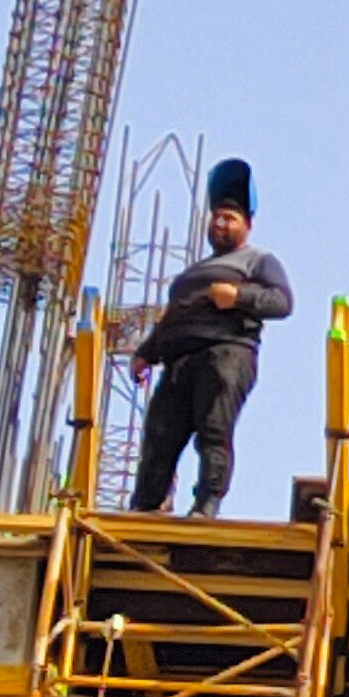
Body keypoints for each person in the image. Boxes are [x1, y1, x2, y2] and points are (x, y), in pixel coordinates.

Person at [131, 158, 293, 515]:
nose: (221, 223)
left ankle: (207, 503)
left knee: (213, 429)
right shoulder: (193, 273)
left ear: (246, 225)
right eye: (217, 217)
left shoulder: (258, 262)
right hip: (180, 361)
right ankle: (145, 505)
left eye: (230, 218)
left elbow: (282, 302)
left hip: (225, 353)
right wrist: (147, 351)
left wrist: (239, 297)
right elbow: (173, 318)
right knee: (160, 435)